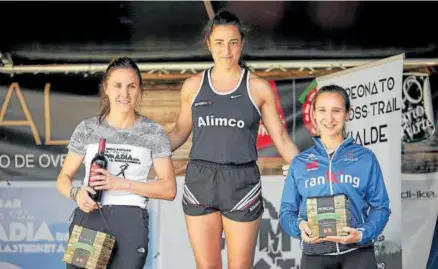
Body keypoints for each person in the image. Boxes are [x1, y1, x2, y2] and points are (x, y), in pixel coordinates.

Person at [167, 9, 300, 269]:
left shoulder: (258, 87)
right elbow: (179, 132)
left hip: (241, 184)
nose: (226, 50)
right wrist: (145, 148)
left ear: (242, 44)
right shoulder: (193, 86)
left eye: (232, 43)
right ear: (208, 44)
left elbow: (282, 138)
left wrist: (313, 173)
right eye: (219, 43)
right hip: (200, 181)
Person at [56, 57, 176, 269]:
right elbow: (63, 179)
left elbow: (168, 189)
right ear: (106, 88)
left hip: (130, 218)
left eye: (132, 86)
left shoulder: (153, 132)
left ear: (139, 91)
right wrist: (76, 194)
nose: (125, 94)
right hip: (91, 216)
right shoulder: (88, 129)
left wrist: (120, 184)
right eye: (118, 86)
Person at [279, 84, 391, 269]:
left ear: (347, 114)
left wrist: (362, 234)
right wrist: (300, 227)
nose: (329, 118)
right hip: (315, 255)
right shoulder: (300, 162)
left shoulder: (365, 158)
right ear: (313, 114)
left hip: (358, 254)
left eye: (336, 111)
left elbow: (381, 207)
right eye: (322, 110)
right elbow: (286, 211)